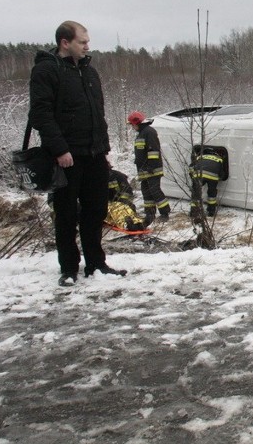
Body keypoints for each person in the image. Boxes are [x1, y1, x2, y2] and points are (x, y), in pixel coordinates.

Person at [28, 21, 127, 286]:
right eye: (82, 42)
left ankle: (96, 264)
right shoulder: (46, 70)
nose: (87, 46)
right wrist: (60, 150)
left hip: (94, 154)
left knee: (96, 210)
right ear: (65, 42)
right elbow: (41, 114)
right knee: (66, 213)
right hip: (66, 157)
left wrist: (103, 151)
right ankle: (69, 268)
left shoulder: (89, 72)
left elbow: (98, 114)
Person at [127, 110, 171, 226]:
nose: (132, 127)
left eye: (132, 124)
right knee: (146, 192)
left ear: (137, 122)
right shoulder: (141, 134)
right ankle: (149, 214)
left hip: (152, 169)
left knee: (154, 190)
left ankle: (165, 213)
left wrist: (151, 166)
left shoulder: (149, 132)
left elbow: (153, 150)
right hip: (143, 170)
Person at [188, 148, 225, 218]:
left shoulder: (200, 157)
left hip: (199, 175)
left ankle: (194, 212)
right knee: (212, 194)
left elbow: (191, 167)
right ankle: (211, 211)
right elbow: (222, 173)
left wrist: (192, 176)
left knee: (196, 193)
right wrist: (220, 178)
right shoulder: (219, 159)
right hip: (213, 176)